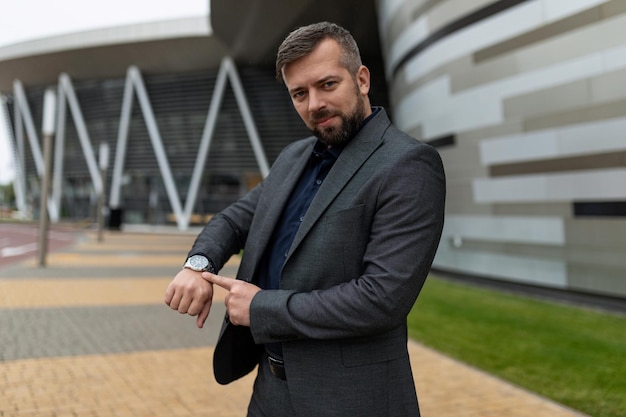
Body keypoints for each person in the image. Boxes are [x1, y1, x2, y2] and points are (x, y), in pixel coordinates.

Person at [164, 21, 446, 417]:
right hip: (270, 392)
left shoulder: (408, 164)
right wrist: (198, 266)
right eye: (300, 93)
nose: (314, 104)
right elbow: (234, 220)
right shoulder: (293, 158)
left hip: (353, 401)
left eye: (327, 85)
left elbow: (382, 299)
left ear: (361, 79)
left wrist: (263, 309)